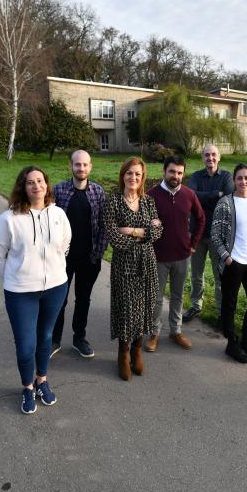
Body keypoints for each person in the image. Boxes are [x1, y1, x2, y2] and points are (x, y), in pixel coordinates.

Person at [0, 166, 72, 414]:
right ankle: (27, 387)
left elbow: (65, 245)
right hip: (20, 292)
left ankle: (42, 381)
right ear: (22, 188)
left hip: (56, 288)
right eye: (30, 182)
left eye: (40, 181)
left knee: (45, 337)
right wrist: (17, 279)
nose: (36, 186)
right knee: (26, 345)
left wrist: (56, 271)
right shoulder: (8, 219)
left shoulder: (58, 214)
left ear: (47, 185)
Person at [102, 157, 163, 380]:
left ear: (142, 177)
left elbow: (158, 231)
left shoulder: (148, 202)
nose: (133, 177)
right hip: (124, 265)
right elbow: (113, 236)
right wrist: (143, 232)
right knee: (127, 309)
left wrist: (132, 231)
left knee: (145, 306)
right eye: (129, 173)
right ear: (123, 175)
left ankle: (138, 349)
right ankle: (123, 352)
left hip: (147, 263)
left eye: (137, 174)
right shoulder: (114, 201)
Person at [51, 150, 108, 359]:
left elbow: (104, 226)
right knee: (59, 300)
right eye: (77, 164)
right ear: (71, 166)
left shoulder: (98, 192)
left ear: (90, 167)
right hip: (61, 260)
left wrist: (99, 253)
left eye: (85, 165)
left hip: (89, 259)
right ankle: (54, 339)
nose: (81, 168)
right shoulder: (58, 191)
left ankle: (79, 338)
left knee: (83, 300)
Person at [210, 163, 247, 363]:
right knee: (229, 304)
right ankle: (232, 344)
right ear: (234, 181)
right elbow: (215, 235)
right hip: (233, 262)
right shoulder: (226, 203)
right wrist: (226, 257)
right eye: (239, 178)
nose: (243, 181)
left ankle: (246, 339)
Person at [147, 155, 205, 351]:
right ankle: (154, 333)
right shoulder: (151, 195)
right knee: (156, 297)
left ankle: (175, 331)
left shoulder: (189, 194)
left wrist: (193, 243)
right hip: (158, 257)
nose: (176, 176)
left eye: (180, 173)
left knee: (178, 296)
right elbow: (142, 224)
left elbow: (201, 219)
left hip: (182, 256)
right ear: (164, 171)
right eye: (172, 171)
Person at [184, 143, 233, 322]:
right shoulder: (196, 176)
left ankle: (221, 311)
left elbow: (226, 198)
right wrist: (214, 194)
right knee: (197, 274)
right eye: (207, 155)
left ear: (219, 157)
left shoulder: (227, 176)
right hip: (197, 233)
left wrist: (202, 198)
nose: (210, 158)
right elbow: (191, 196)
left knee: (219, 274)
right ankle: (196, 306)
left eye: (213, 155)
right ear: (202, 158)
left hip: (218, 236)